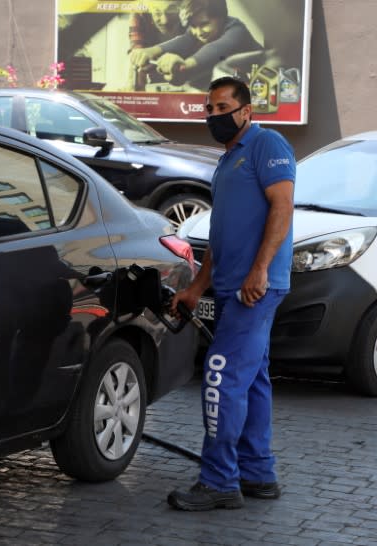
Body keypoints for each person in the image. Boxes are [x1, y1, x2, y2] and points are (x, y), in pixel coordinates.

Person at [167, 76, 295, 511]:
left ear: (246, 111)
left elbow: (282, 207)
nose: (214, 116)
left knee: (220, 377)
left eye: (223, 108)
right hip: (228, 287)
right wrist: (195, 289)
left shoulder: (268, 145)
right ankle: (258, 473)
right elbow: (222, 238)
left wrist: (259, 270)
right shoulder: (226, 163)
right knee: (252, 379)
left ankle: (220, 480)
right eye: (210, 109)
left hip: (253, 289)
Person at [132, 0, 262, 90]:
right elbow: (184, 40)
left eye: (204, 24)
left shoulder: (237, 30)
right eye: (193, 26)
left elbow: (215, 50)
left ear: (221, 17)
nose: (198, 32)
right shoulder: (196, 32)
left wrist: (183, 67)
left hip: (267, 89)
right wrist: (149, 51)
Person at [129, 1, 184, 90]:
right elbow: (137, 51)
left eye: (171, 11)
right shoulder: (139, 11)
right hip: (155, 78)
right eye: (157, 12)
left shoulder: (193, 6)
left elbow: (193, 39)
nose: (164, 20)